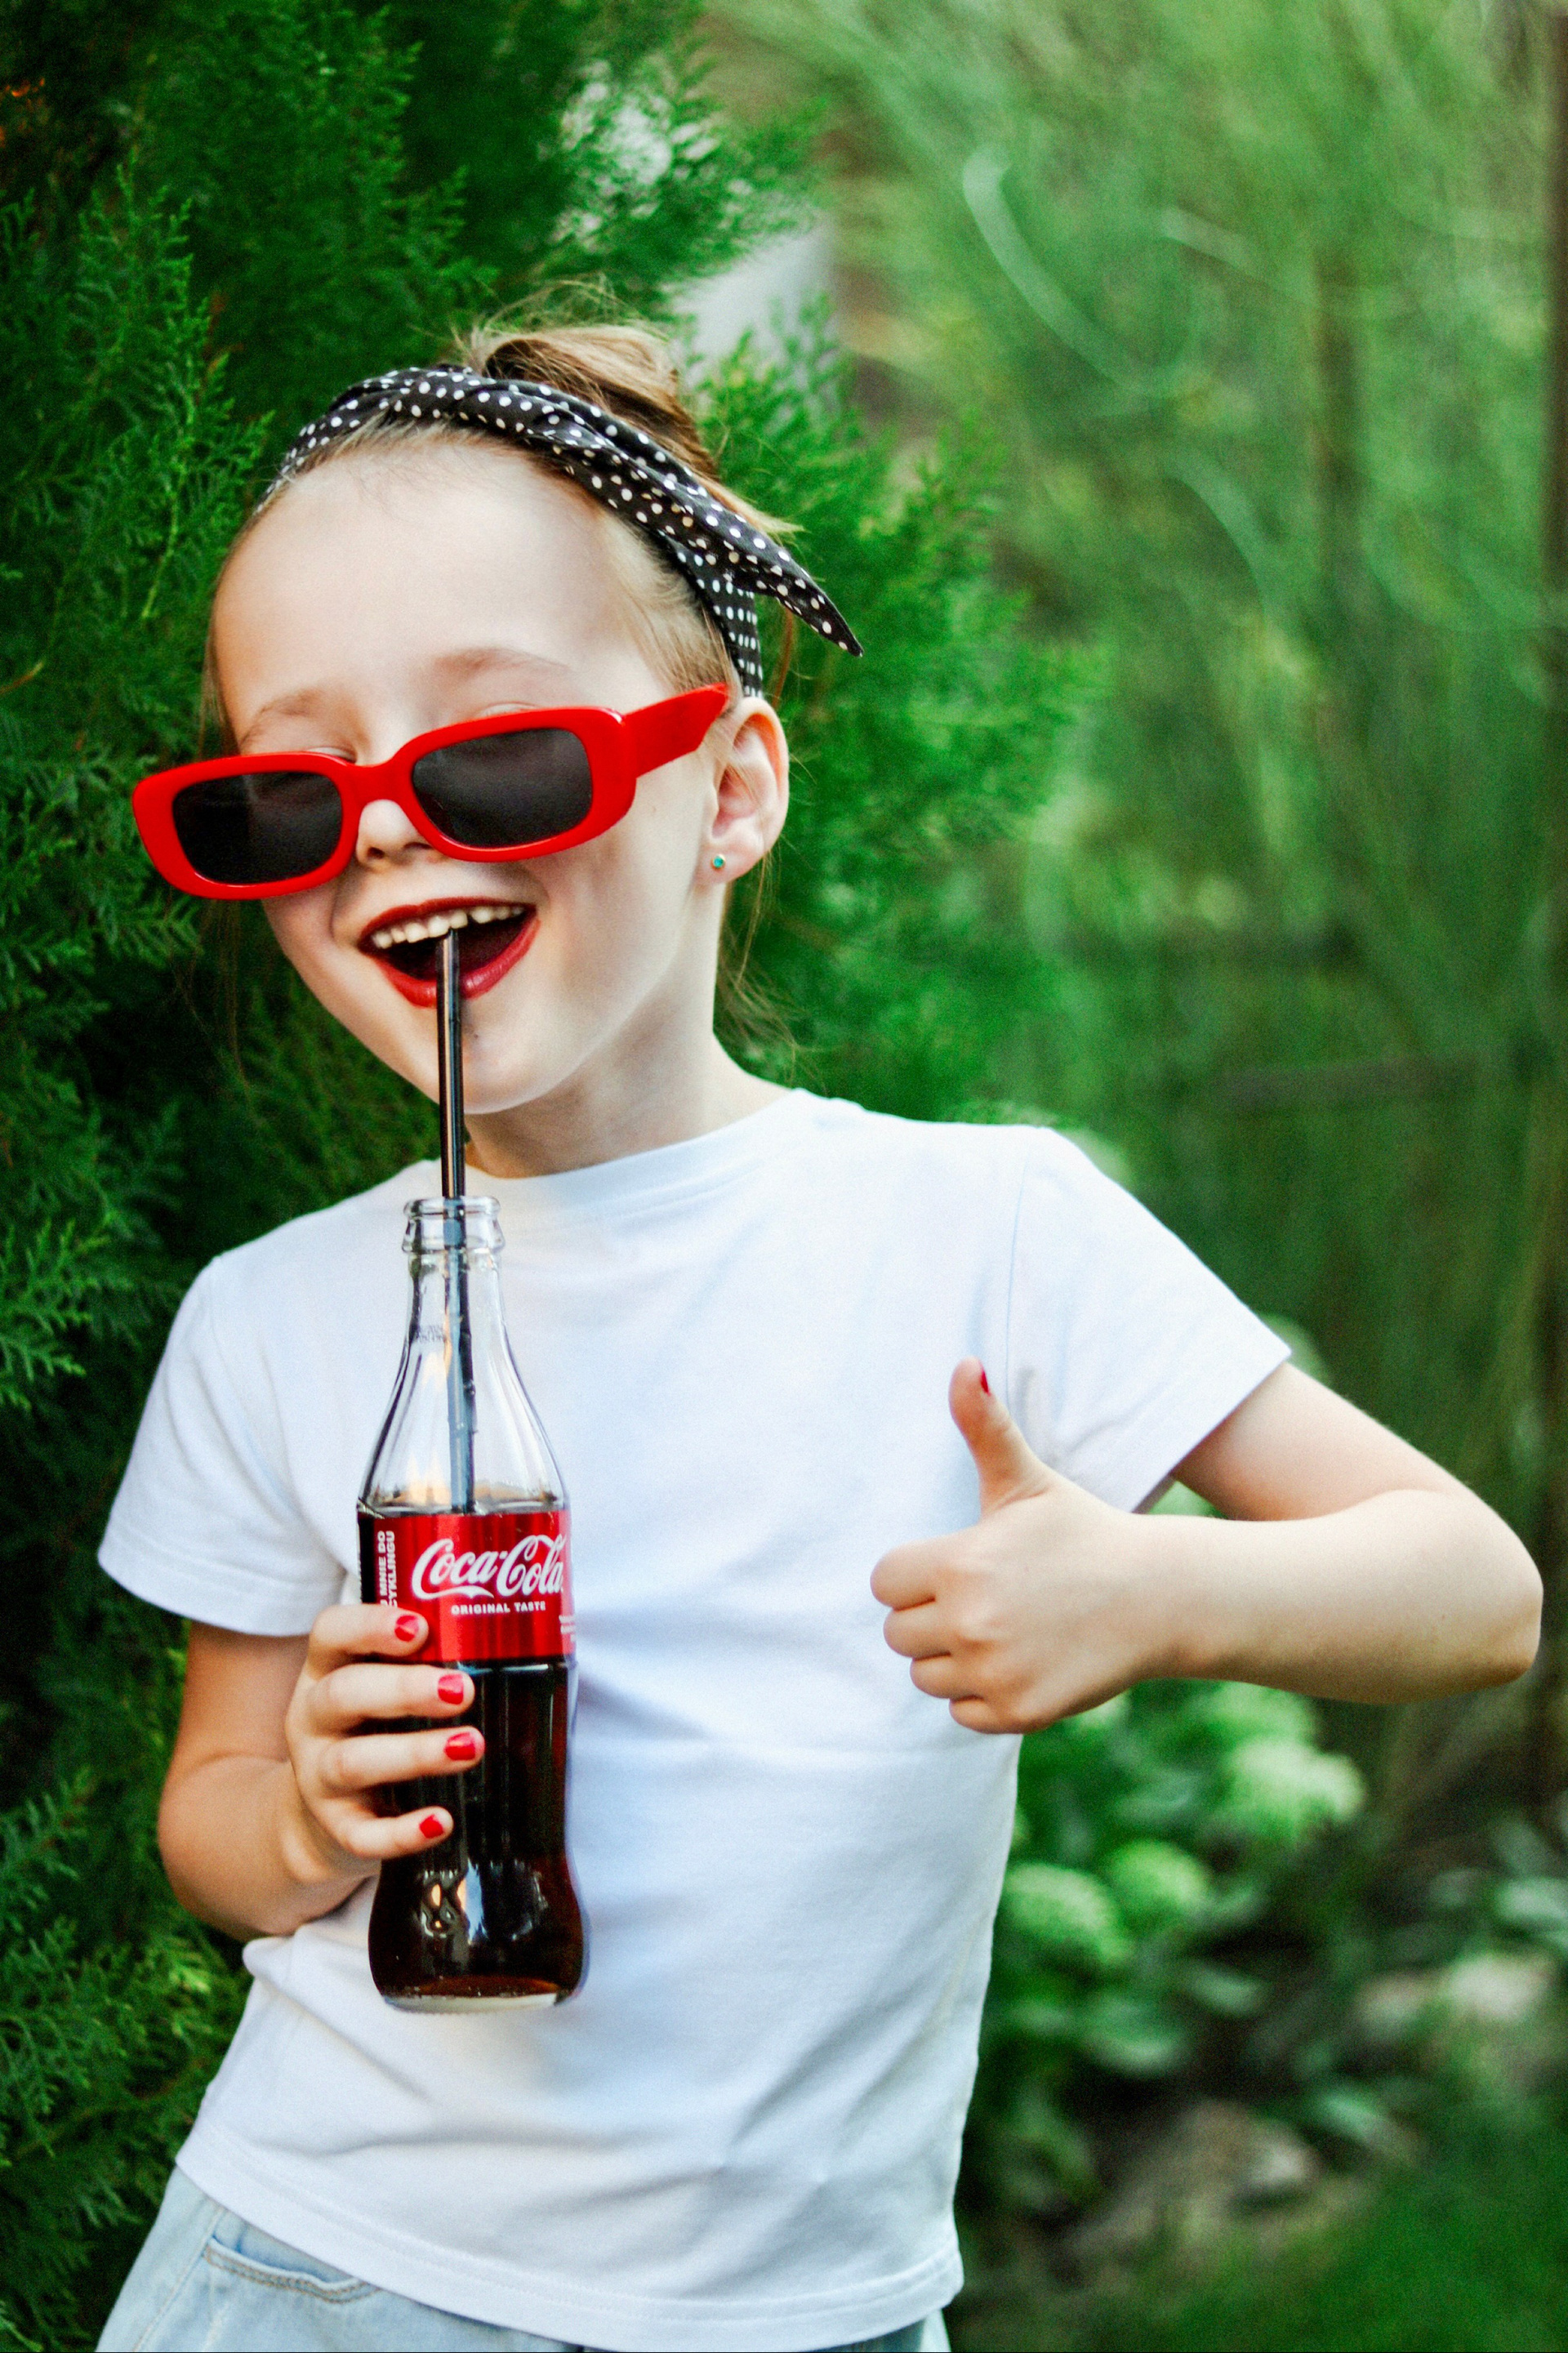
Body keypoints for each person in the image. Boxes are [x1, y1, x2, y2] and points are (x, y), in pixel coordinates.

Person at [96, 321, 1540, 2353]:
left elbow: (1475, 1589)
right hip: (323, 2274)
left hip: (809, 2312)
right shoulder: (272, 1318)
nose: (388, 836)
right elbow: (214, 1821)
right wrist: (304, 1816)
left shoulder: (986, 1230)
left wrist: (1154, 1589)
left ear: (732, 789)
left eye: (493, 755)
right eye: (285, 799)